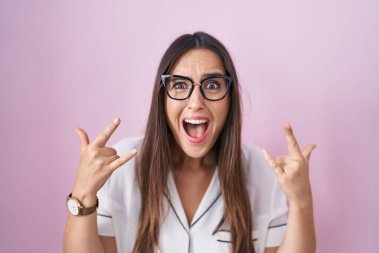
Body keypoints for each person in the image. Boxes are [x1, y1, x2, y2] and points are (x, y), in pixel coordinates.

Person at [63, 32, 316, 253]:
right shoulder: (121, 163)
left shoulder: (262, 172)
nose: (196, 102)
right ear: (163, 98)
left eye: (213, 85)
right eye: (180, 85)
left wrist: (301, 200)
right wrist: (83, 193)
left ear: (230, 100)